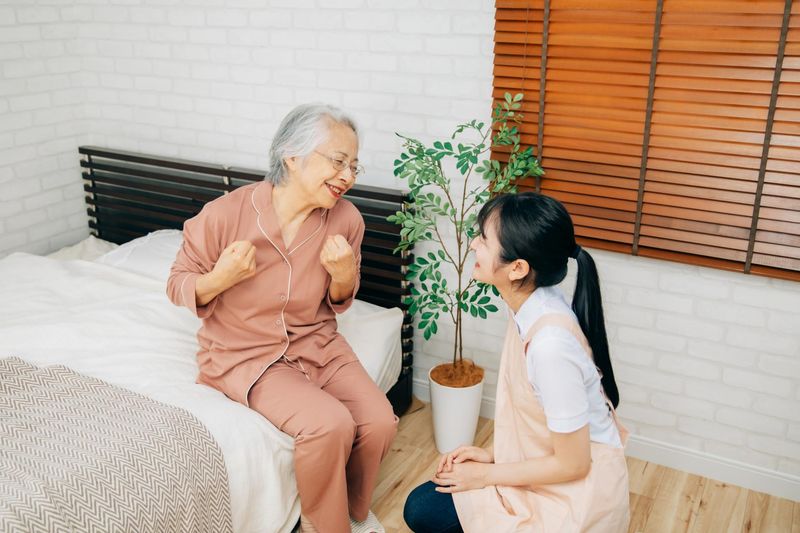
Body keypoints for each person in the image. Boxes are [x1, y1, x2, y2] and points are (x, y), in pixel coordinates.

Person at [167, 104, 397, 533]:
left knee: (380, 421)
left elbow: (340, 300)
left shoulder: (347, 220)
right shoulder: (223, 215)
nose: (348, 175)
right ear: (292, 156)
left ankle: (352, 512)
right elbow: (178, 283)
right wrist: (219, 279)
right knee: (329, 425)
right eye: (338, 161)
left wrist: (346, 275)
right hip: (247, 353)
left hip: (318, 343)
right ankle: (323, 526)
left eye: (353, 165)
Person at [403, 192, 630, 532]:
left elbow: (575, 464)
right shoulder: (529, 307)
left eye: (484, 238)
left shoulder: (550, 346)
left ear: (518, 268)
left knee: (424, 510)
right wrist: (494, 453)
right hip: (550, 466)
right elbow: (535, 421)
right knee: (424, 505)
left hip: (574, 493)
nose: (474, 243)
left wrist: (485, 474)